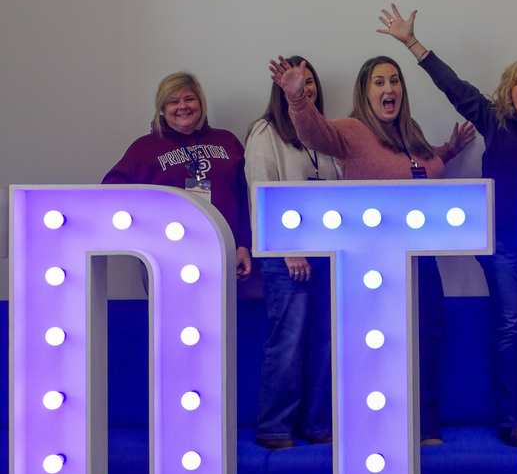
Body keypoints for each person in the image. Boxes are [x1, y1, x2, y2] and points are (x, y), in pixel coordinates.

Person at [377, 0, 517, 448]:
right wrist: (412, 43)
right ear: (509, 90)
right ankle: (513, 419)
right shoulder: (493, 121)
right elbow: (452, 86)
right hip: (504, 243)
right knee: (511, 325)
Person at [269, 53, 474, 445]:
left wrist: (447, 150)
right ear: (365, 91)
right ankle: (375, 429)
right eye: (379, 82)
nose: (389, 89)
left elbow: (416, 168)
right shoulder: (352, 130)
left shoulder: (410, 131)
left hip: (419, 257)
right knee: (377, 346)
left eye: (394, 81)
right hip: (372, 264)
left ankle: (423, 425)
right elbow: (315, 134)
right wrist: (297, 99)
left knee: (427, 336)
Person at [246, 56, 341, 450]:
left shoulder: (327, 133)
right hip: (287, 258)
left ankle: (316, 423)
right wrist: (286, 249)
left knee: (323, 342)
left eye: (311, 81)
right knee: (288, 342)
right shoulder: (265, 131)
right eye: (299, 81)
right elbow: (261, 191)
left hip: (329, 255)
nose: (307, 87)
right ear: (282, 87)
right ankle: (274, 428)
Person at [103, 72, 252, 280]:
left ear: (200, 103)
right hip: (165, 258)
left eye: (189, 99)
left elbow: (245, 200)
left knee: (220, 313)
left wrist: (244, 245)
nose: (183, 106)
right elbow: (111, 191)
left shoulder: (227, 141)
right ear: (163, 109)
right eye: (173, 101)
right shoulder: (145, 147)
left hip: (223, 252)